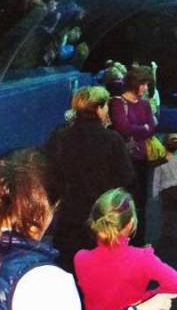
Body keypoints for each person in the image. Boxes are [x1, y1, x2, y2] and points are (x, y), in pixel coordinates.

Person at [0, 153, 177, 310]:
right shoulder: (47, 282)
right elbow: (176, 282)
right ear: (43, 212)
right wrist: (143, 305)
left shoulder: (81, 259)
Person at [74, 188, 177, 310]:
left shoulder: (81, 258)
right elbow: (176, 281)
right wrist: (150, 297)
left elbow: (108, 277)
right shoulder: (143, 258)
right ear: (131, 224)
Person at [44, 85, 134, 272]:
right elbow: (127, 177)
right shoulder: (112, 139)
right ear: (99, 109)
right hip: (102, 218)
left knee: (69, 267)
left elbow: (49, 175)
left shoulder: (60, 137)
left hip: (69, 217)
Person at [109, 66, 156, 246]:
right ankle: (121, 242)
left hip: (142, 158)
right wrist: (142, 128)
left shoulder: (144, 104)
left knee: (141, 202)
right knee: (123, 201)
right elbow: (122, 128)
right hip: (124, 159)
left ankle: (138, 241)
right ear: (133, 83)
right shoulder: (118, 103)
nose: (145, 88)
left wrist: (140, 129)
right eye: (143, 84)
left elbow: (151, 128)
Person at [152, 134, 177, 241]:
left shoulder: (160, 162)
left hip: (166, 191)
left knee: (167, 212)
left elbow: (156, 180)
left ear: (163, 146)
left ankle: (169, 232)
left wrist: (155, 194)